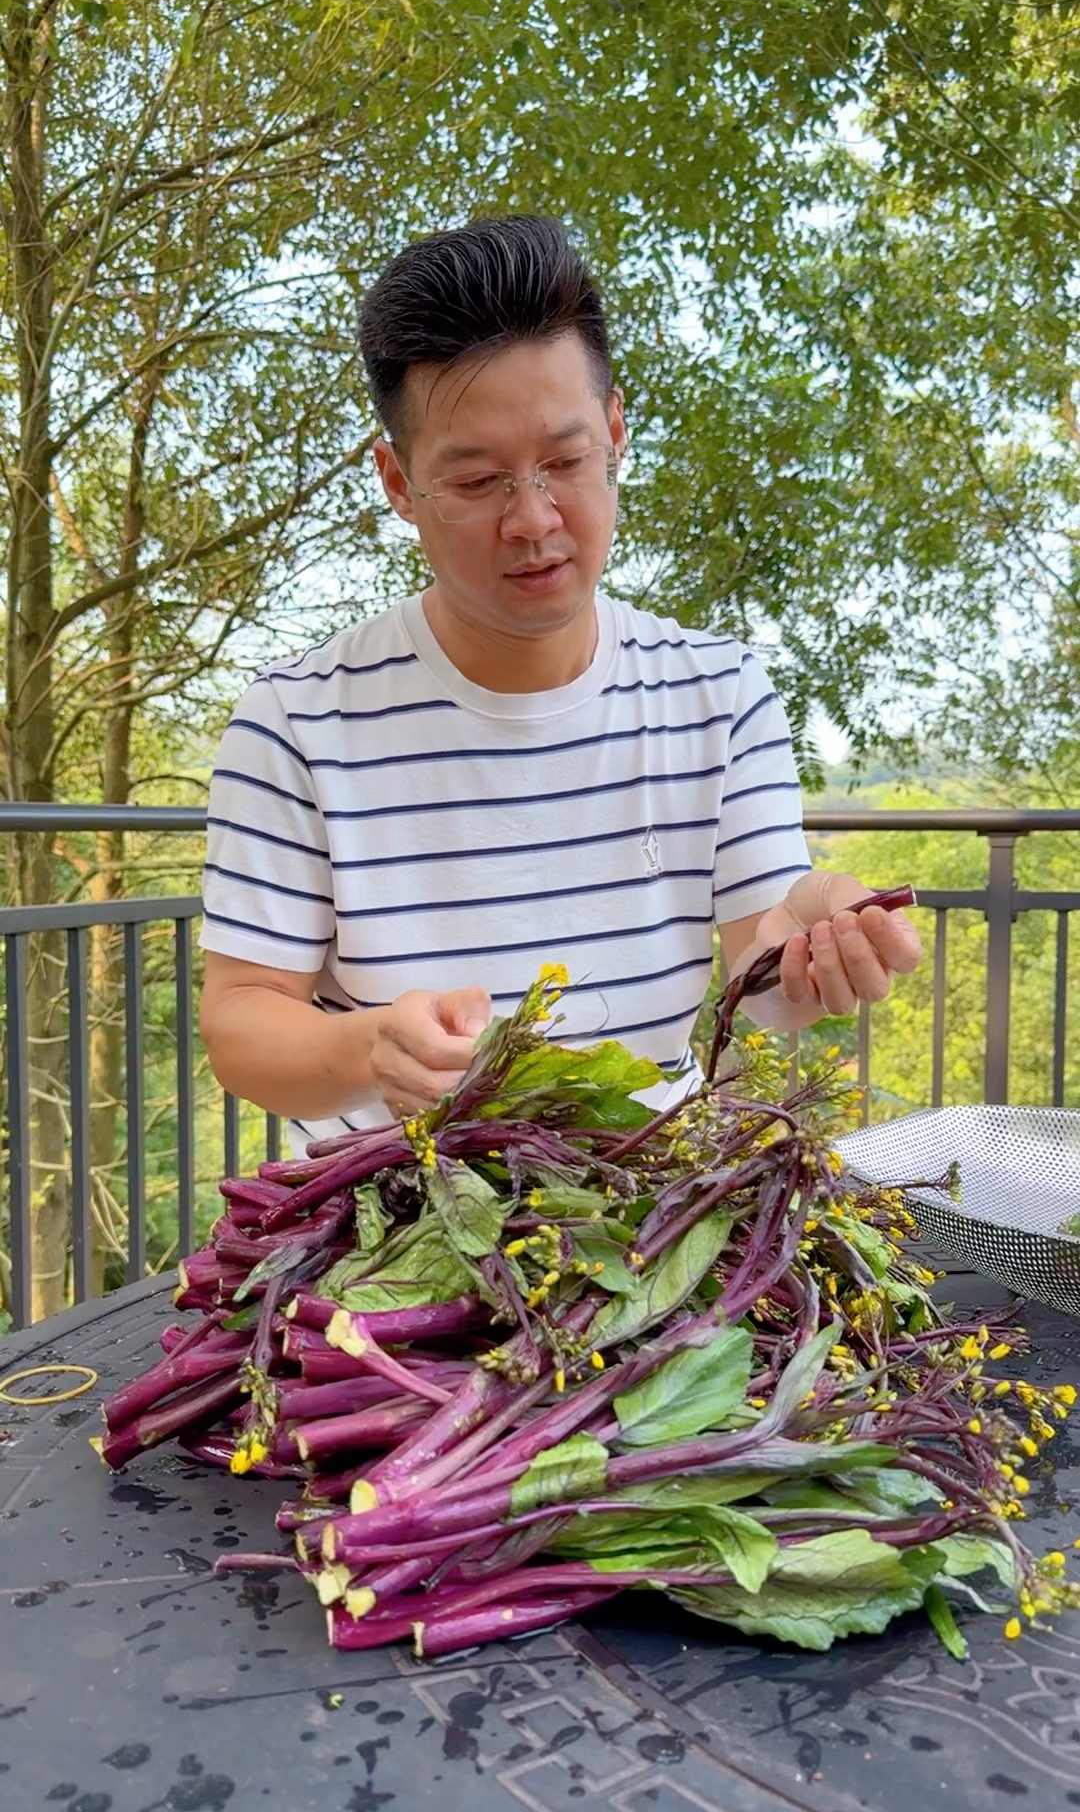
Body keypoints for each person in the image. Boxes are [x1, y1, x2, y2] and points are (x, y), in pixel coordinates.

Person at [199, 214, 921, 1148]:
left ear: (616, 433)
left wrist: (821, 937)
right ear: (395, 480)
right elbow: (244, 1017)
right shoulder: (295, 722)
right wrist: (371, 1048)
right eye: (476, 481)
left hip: (649, 1221)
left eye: (566, 463)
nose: (533, 520)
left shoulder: (720, 692)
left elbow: (763, 958)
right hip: (388, 1231)